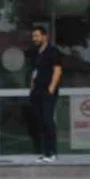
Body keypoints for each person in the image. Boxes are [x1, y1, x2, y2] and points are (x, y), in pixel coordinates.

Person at [29, 24, 63, 163]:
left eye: (37, 36)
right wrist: (32, 88)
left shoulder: (52, 51)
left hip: (47, 92)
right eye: (33, 36)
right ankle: (46, 153)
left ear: (45, 36)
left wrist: (51, 89)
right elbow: (34, 71)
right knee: (41, 122)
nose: (34, 38)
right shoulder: (36, 53)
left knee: (48, 121)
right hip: (36, 92)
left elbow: (57, 70)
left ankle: (52, 153)